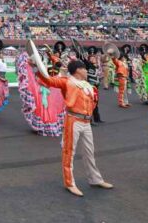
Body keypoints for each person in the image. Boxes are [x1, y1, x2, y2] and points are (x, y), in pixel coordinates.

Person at [33, 59, 113, 197]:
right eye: (85, 69)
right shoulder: (67, 82)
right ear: (78, 70)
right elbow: (49, 81)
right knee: (69, 152)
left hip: (86, 122)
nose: (87, 71)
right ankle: (69, 183)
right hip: (73, 120)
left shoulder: (87, 85)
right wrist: (37, 66)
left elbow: (93, 103)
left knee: (89, 152)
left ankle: (95, 179)